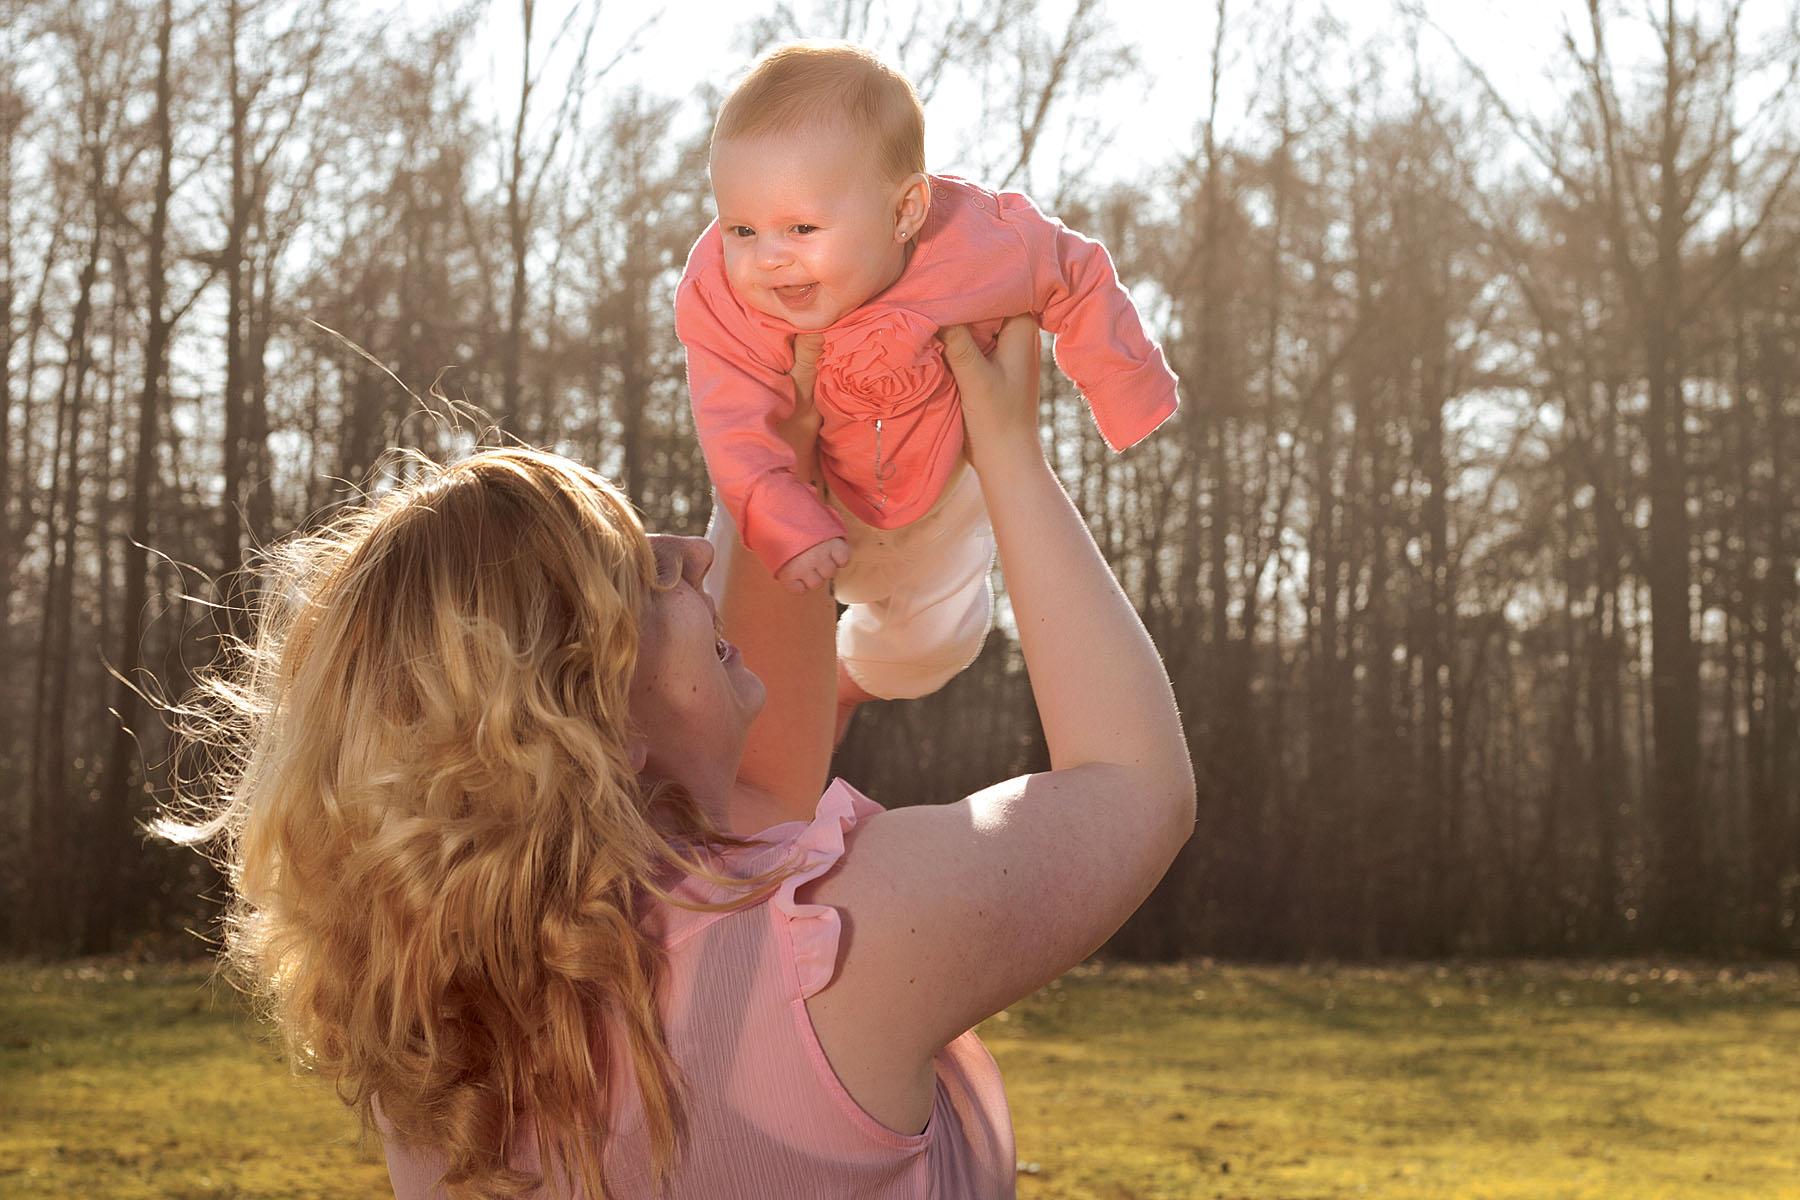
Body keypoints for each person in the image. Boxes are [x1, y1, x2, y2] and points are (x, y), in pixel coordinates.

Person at [157, 315, 1193, 1198]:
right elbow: (1134, 784)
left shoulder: (435, 1052)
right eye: (640, 577)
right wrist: (1010, 450)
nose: (692, 555)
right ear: (580, 719)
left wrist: (775, 444)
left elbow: (757, 790)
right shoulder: (843, 942)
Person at [677, 40, 1180, 733]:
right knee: (737, 625)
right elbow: (730, 421)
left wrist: (1126, 387)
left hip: (940, 490)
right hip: (807, 485)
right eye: (741, 228)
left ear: (905, 211)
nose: (768, 257)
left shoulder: (978, 242)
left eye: (801, 227)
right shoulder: (721, 295)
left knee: (942, 640)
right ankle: (745, 743)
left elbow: (1076, 272)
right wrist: (779, 516)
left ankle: (850, 682)